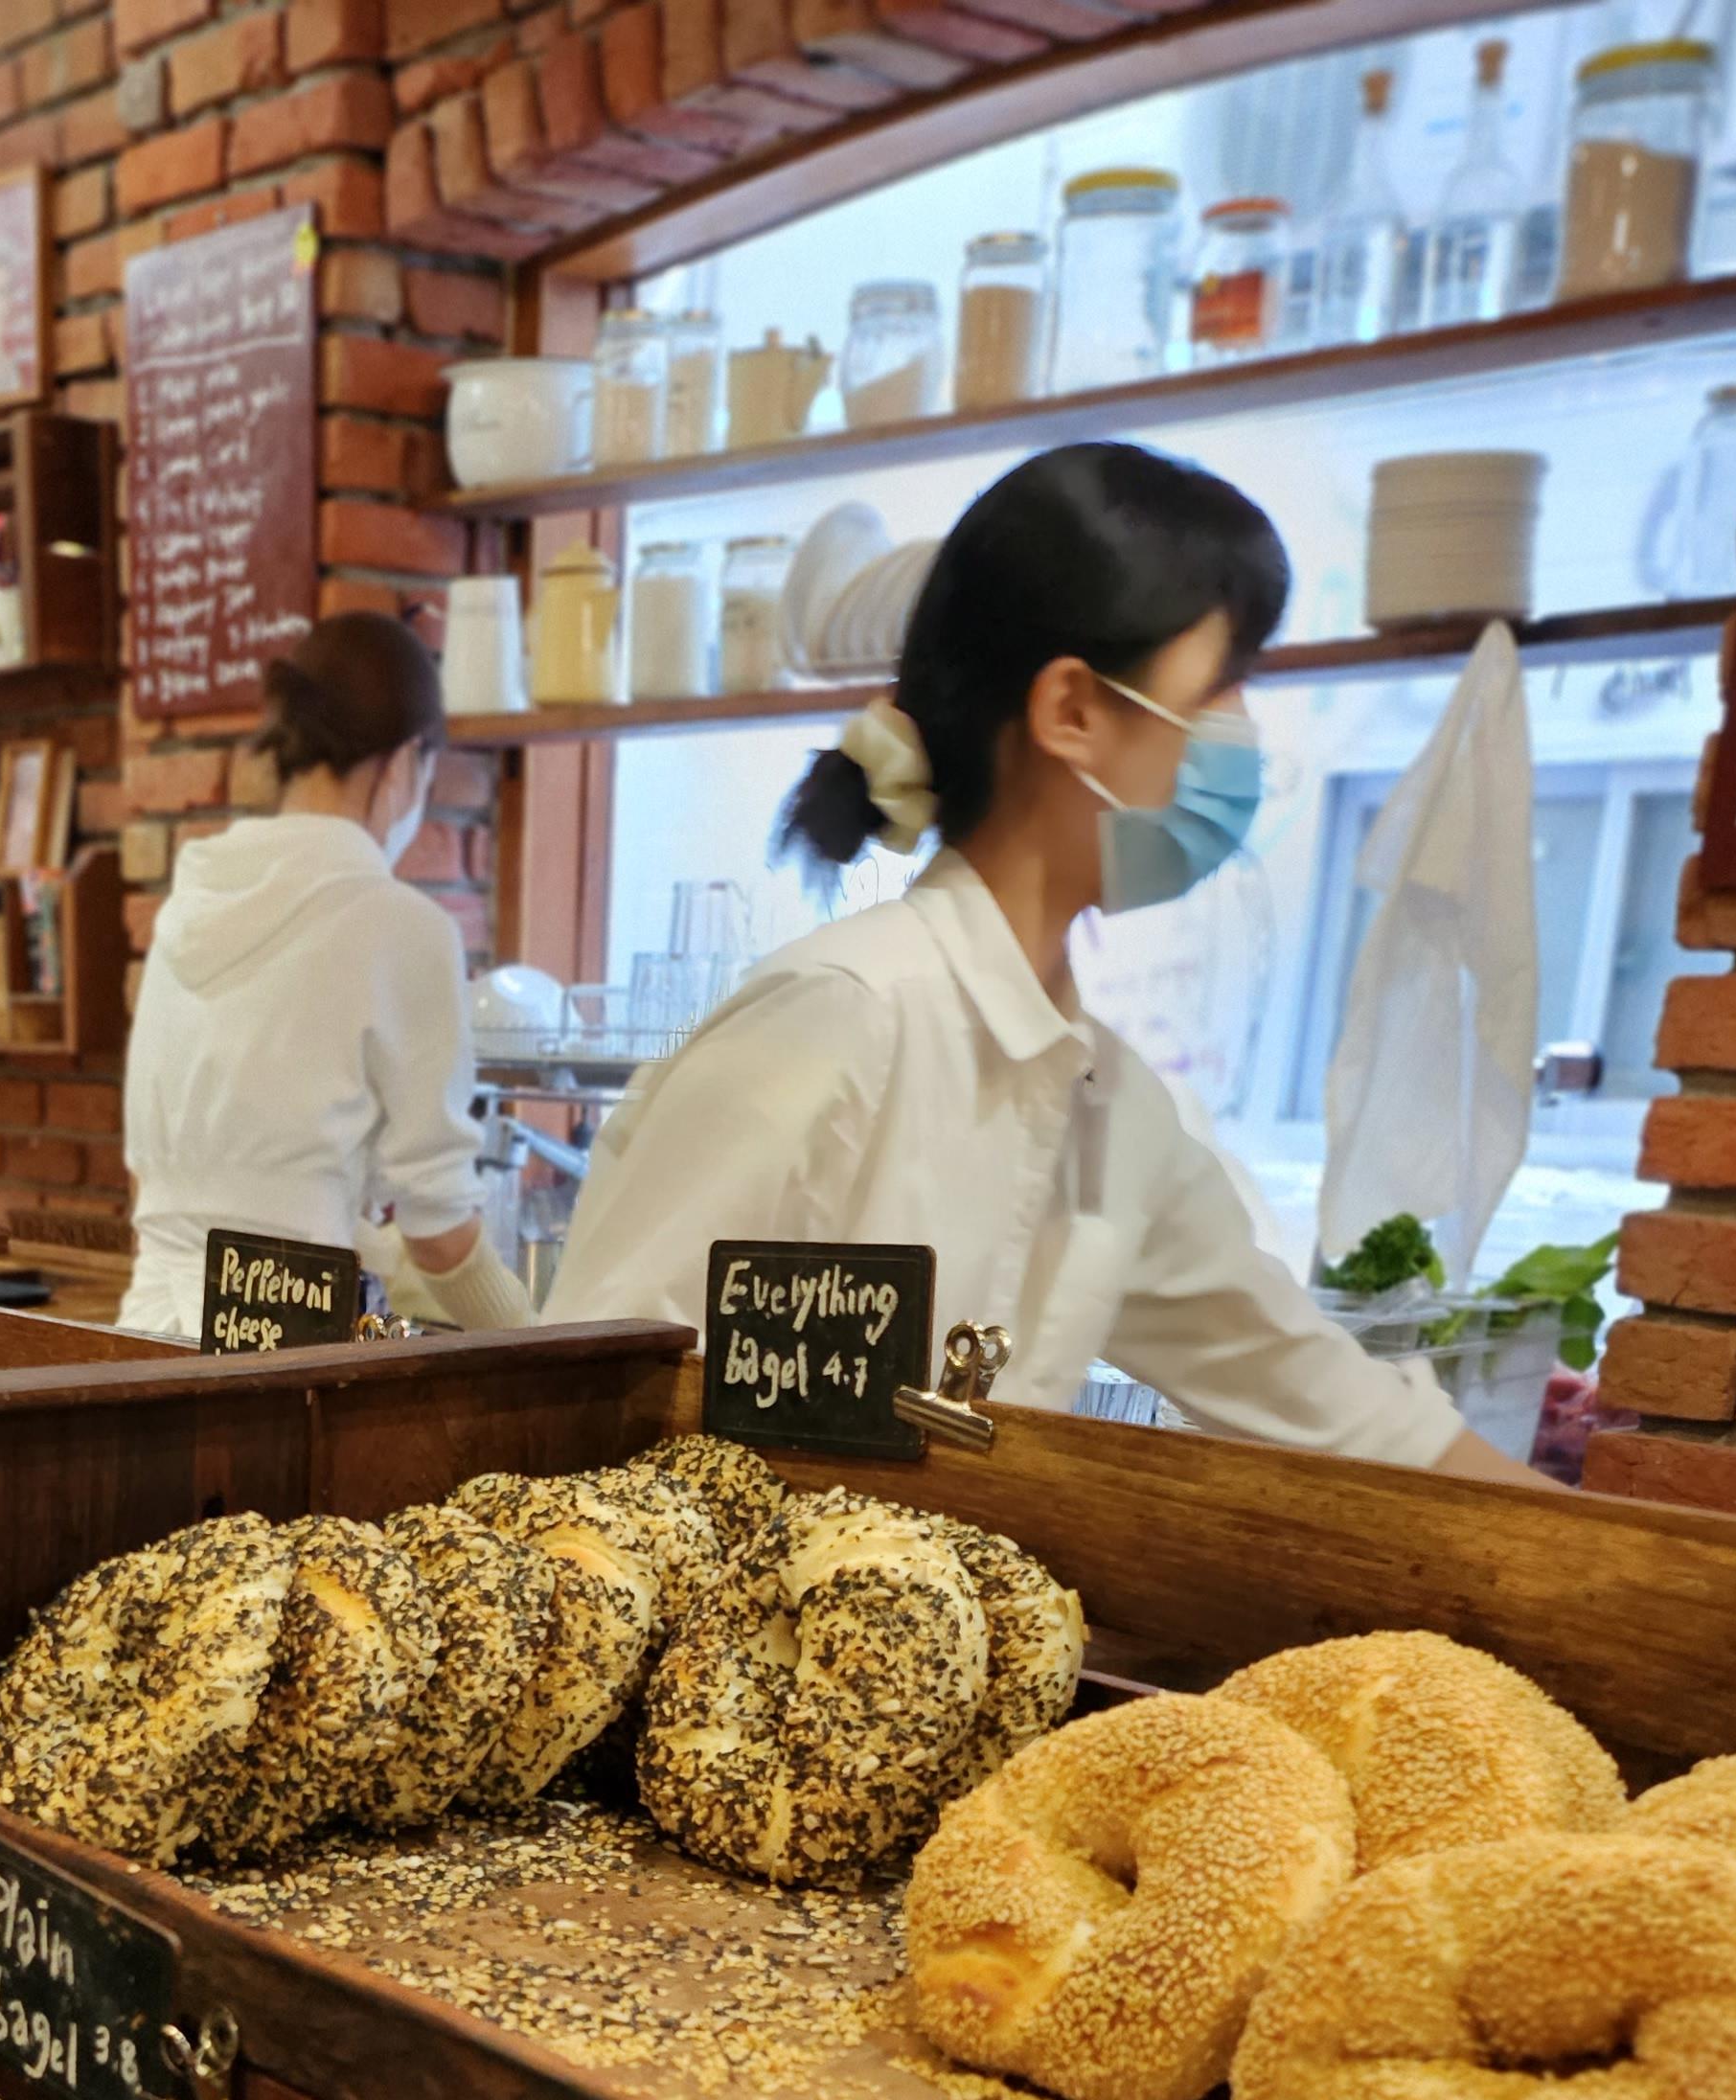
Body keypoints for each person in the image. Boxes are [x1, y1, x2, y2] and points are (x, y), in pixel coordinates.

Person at [548, 445, 1528, 1482]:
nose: (1245, 734)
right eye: (1222, 685)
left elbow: (1329, 1401)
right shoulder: (841, 1016)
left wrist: (1620, 1548)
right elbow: (583, 1416)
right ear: (1071, 711)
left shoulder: (1111, 1110)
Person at [119, 613, 527, 1341]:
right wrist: (542, 1343)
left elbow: (177, 1188)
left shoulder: (188, 906)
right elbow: (439, 1232)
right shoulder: (402, 927)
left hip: (142, 1343)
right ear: (403, 763)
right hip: (281, 1356)